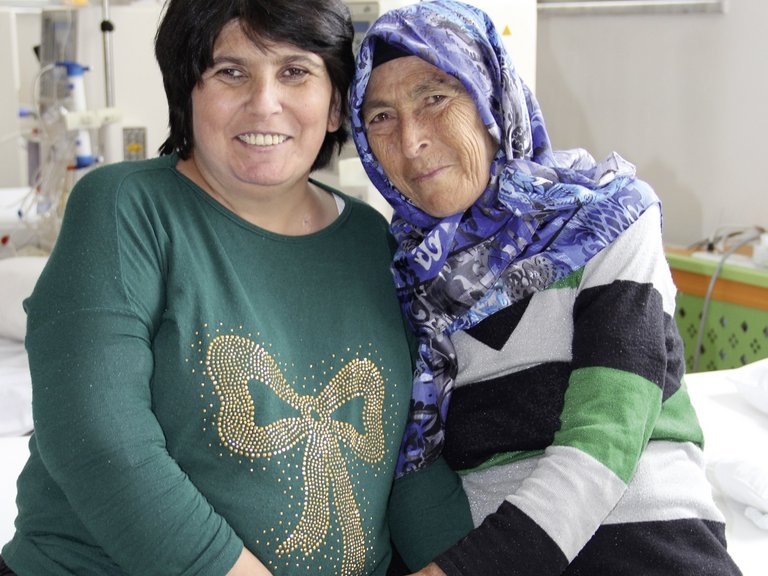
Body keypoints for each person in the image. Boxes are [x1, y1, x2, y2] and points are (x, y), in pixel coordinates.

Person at [0, 1, 471, 575]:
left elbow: (404, 455)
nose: (264, 102)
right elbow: (99, 441)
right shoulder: (127, 208)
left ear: (333, 105)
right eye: (231, 72)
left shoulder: (371, 239)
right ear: (187, 93)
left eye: (295, 71)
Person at [350, 1, 744, 575]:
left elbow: (605, 438)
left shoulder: (607, 219)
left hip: (649, 550)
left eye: (435, 97)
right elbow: (411, 469)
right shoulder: (403, 277)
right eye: (381, 116)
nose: (411, 142)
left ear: (489, 96)